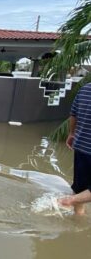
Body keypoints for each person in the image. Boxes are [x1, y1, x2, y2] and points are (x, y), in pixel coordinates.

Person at [59, 83, 91, 215]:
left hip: (81, 147)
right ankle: (68, 200)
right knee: (77, 197)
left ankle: (77, 223)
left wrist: (72, 133)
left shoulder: (85, 89)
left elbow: (74, 114)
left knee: (80, 189)